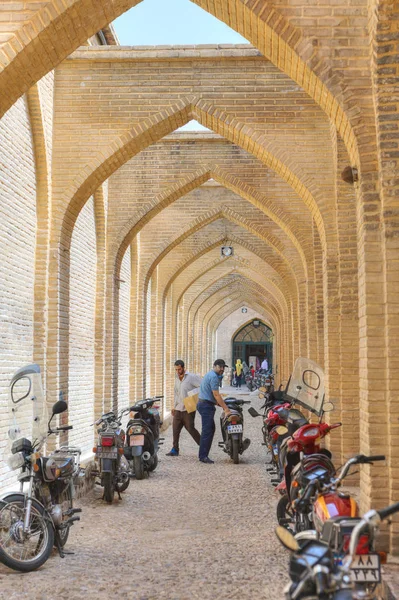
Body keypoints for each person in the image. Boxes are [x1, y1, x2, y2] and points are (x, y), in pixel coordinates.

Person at [197, 359, 231, 463]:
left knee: (210, 429)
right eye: (220, 367)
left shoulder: (210, 374)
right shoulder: (214, 377)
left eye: (223, 367)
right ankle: (203, 456)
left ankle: (203, 454)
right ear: (214, 366)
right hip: (206, 406)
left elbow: (211, 394)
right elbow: (216, 394)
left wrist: (219, 403)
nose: (222, 369)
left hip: (205, 403)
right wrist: (226, 409)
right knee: (207, 430)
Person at [166, 360, 202, 457]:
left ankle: (203, 446)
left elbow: (202, 386)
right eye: (176, 370)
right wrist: (173, 406)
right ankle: (175, 449)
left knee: (190, 428)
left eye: (179, 369)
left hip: (188, 408)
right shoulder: (177, 378)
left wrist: (192, 396)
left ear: (183, 368)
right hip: (178, 408)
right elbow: (176, 393)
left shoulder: (191, 377)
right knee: (175, 429)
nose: (177, 371)